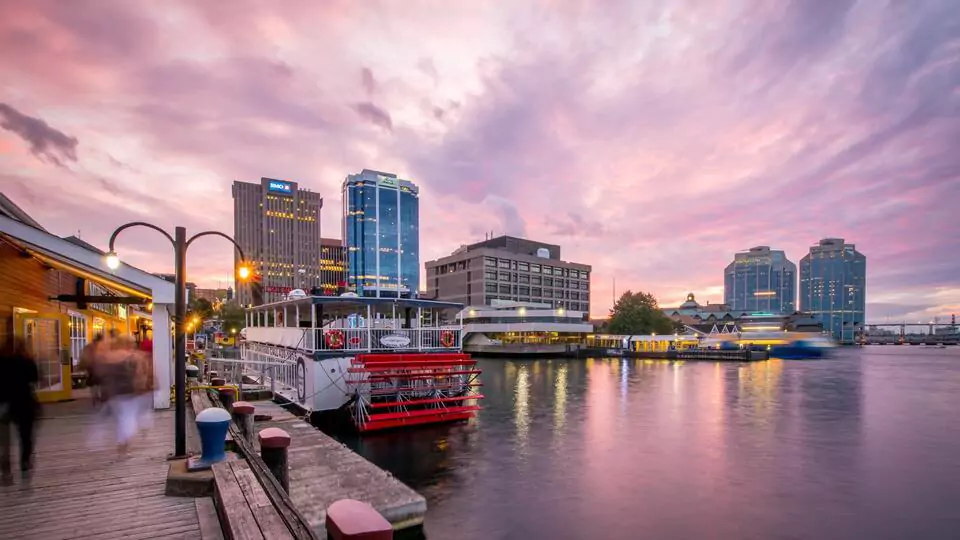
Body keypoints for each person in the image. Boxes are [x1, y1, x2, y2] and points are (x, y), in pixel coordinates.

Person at [0, 335, 40, 485]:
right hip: (24, 403)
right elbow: (35, 379)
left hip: (3, 403)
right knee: (25, 436)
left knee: (4, 440)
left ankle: (6, 470)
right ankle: (24, 461)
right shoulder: (27, 361)